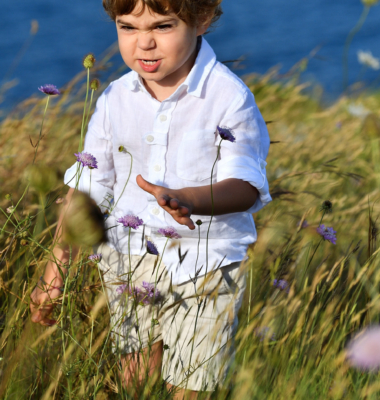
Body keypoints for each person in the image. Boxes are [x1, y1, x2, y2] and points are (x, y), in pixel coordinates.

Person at [30, 0, 272, 398]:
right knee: (133, 377)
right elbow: (88, 187)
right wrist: (56, 270)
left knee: (191, 383)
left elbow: (245, 187)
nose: (144, 44)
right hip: (127, 257)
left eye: (162, 27)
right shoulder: (114, 98)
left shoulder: (229, 96)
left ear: (202, 19)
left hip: (206, 263)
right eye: (128, 28)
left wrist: (190, 199)